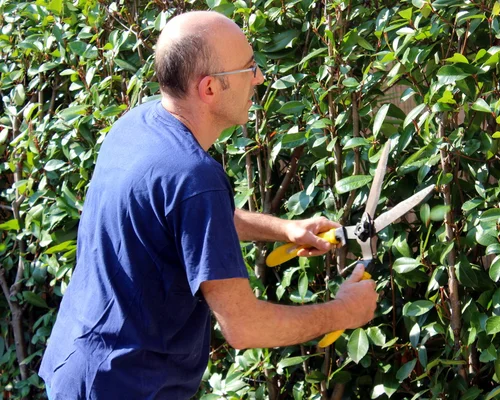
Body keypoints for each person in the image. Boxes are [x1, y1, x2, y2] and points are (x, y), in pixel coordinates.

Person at [39, 10, 378, 399]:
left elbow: (185, 219)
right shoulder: (194, 176)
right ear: (210, 88)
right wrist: (344, 312)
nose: (260, 78)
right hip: (128, 385)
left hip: (79, 364)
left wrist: (283, 229)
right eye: (249, 69)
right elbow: (244, 327)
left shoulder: (137, 124)